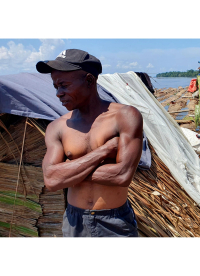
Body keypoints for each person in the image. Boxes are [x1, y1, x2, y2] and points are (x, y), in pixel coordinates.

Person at [36, 49, 143, 237]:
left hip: (115, 221)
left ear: (89, 80)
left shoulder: (125, 116)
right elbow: (51, 180)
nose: (58, 94)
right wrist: (103, 151)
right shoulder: (57, 127)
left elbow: (122, 175)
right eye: (55, 87)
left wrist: (67, 170)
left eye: (64, 85)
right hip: (74, 221)